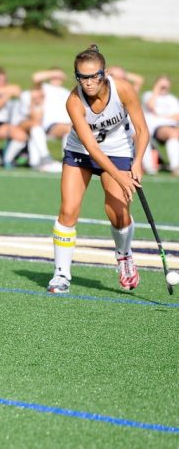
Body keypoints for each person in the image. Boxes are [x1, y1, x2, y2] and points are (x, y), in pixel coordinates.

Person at [47, 45, 149, 294]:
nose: (88, 82)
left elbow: (143, 130)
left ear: (103, 73)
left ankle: (124, 256)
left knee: (118, 213)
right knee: (68, 210)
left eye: (94, 76)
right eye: (82, 77)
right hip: (81, 153)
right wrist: (119, 177)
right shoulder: (73, 101)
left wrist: (137, 163)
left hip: (119, 150)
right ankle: (61, 274)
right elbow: (91, 147)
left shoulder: (123, 88)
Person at [141, 74, 179, 175]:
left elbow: (177, 116)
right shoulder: (148, 95)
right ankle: (175, 166)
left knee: (174, 133)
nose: (163, 88)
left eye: (165, 86)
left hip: (172, 127)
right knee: (173, 133)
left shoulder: (172, 99)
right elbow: (151, 106)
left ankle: (175, 165)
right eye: (161, 85)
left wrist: (160, 115)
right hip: (154, 128)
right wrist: (156, 90)